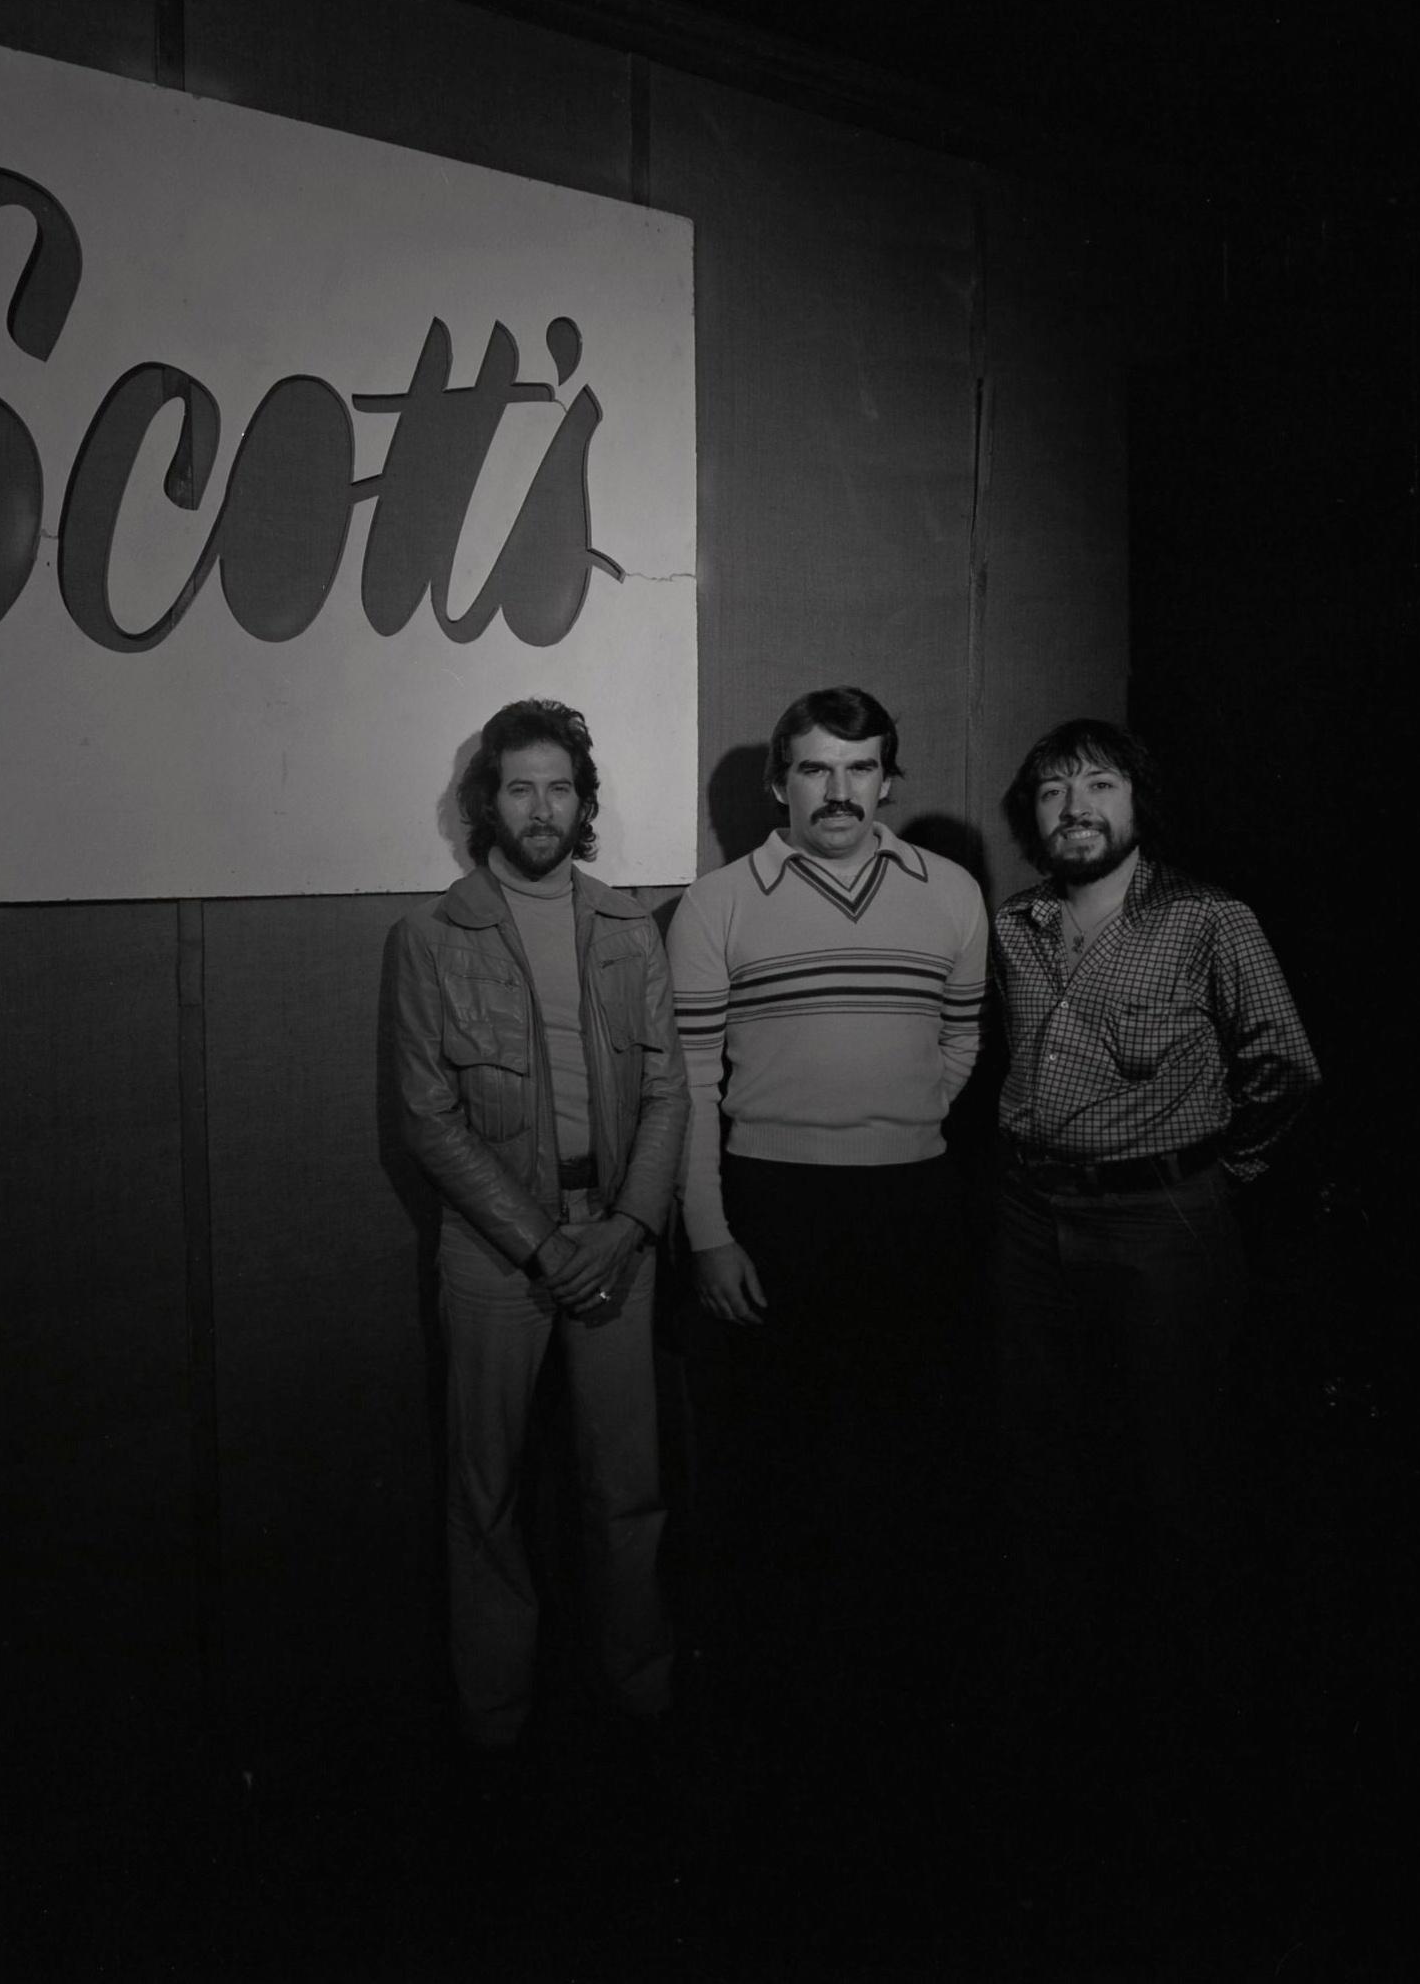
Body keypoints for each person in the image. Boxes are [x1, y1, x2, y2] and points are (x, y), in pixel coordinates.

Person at [986, 717, 1320, 1879]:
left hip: (1165, 1218)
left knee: (1178, 1477)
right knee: (1046, 1473)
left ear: (1139, 801)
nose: (1075, 805)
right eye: (1052, 789)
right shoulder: (1013, 926)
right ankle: (1068, 1747)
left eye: (1101, 784)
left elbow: (1284, 1061)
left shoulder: (1206, 918)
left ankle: (1188, 1758)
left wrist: (1224, 1174)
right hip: (1033, 1221)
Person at [662, 685, 989, 1805]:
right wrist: (709, 1233)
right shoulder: (717, 904)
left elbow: (962, 1039)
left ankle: (896, 1732)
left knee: (905, 1469)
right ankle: (776, 1740)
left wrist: (892, 1123)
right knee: (773, 1479)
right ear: (777, 784)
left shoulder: (950, 892)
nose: (838, 791)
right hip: (770, 1209)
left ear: (888, 778)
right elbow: (693, 1088)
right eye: (814, 768)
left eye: (859, 768)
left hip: (913, 1209)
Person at [390, 698, 689, 1755]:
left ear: (584, 800)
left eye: (560, 785)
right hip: (492, 1251)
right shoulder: (432, 934)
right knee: (488, 1493)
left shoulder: (623, 922)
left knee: (628, 1485)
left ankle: (642, 1697)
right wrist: (540, 1241)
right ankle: (495, 1724)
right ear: (488, 802)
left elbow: (667, 1090)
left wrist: (630, 1223)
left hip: (615, 1237)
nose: (542, 804)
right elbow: (427, 1116)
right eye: (520, 784)